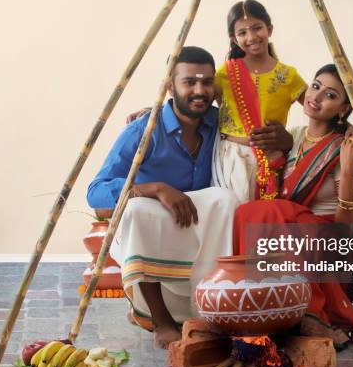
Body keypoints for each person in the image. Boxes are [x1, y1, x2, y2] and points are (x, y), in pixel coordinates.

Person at [232, 64, 353, 349]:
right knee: (247, 212)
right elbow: (241, 125)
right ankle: (255, 304)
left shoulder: (345, 147)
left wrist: (347, 170)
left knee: (276, 211)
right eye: (315, 85)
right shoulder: (293, 137)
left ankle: (312, 313)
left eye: (331, 94)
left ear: (343, 109)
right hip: (289, 232)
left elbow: (347, 226)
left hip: (328, 236)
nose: (318, 96)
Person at [87, 47, 239, 348]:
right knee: (137, 211)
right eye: (189, 82)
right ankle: (160, 319)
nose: (199, 90)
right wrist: (156, 188)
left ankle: (210, 306)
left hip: (196, 224)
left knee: (225, 199)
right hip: (149, 225)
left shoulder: (218, 121)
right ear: (170, 86)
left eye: (207, 82)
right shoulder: (143, 129)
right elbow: (96, 191)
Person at [212, 0, 308, 202]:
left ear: (269, 29)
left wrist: (344, 126)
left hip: (272, 161)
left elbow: (318, 106)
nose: (252, 37)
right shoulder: (225, 73)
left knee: (262, 225)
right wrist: (154, 111)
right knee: (233, 221)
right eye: (242, 33)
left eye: (257, 28)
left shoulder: (288, 75)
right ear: (234, 39)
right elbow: (197, 102)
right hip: (231, 160)